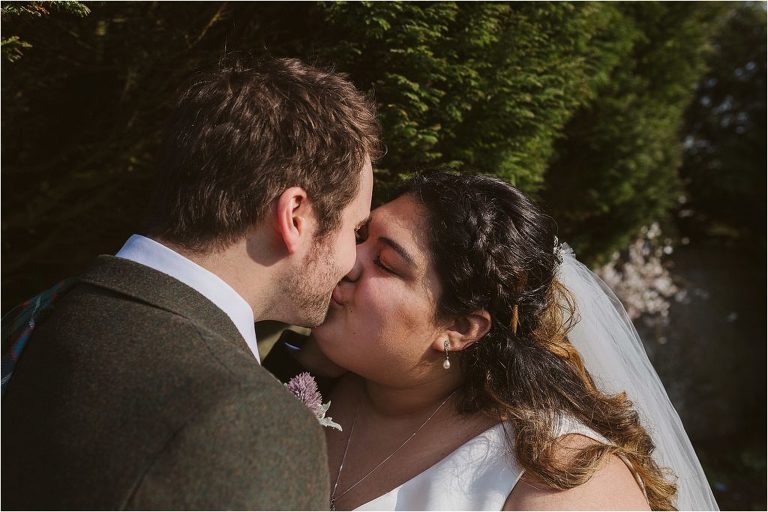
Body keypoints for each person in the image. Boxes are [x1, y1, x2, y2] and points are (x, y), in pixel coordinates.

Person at [2, 56, 380, 509]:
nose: (352, 258)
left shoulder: (41, 310)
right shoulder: (246, 417)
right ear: (295, 216)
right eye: (354, 231)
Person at [295, 172, 718, 510]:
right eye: (360, 235)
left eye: (386, 263)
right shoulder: (299, 370)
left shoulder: (561, 480)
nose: (348, 260)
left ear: (459, 329)